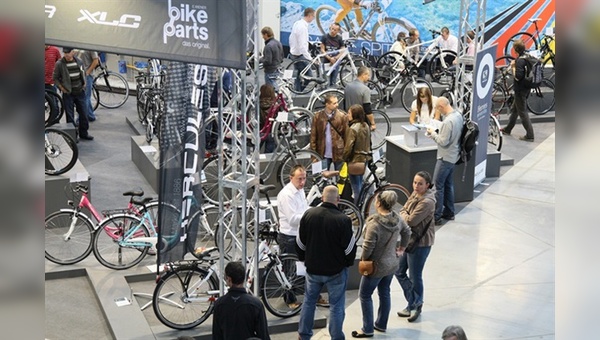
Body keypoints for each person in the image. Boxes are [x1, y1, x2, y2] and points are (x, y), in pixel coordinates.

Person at [296, 185, 358, 340]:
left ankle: (304, 335)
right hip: (335, 271)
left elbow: (299, 242)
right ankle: (336, 337)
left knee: (309, 303)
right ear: (338, 200)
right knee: (336, 306)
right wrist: (347, 263)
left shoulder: (309, 214)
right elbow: (350, 248)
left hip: (313, 269)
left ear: (322, 198)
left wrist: (303, 257)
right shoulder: (343, 220)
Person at [351, 191, 411, 338]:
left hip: (376, 266)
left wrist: (364, 259)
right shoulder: (397, 219)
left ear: (378, 203)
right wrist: (402, 248)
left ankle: (367, 328)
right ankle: (381, 324)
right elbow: (407, 232)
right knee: (385, 292)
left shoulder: (374, 224)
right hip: (391, 264)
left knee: (365, 295)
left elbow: (367, 248)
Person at [276, 165, 329, 307]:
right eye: (299, 179)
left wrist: (314, 210)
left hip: (301, 234)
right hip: (289, 237)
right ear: (291, 178)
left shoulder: (299, 192)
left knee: (310, 266)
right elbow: (293, 219)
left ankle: (314, 295)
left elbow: (304, 209)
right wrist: (311, 215)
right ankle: (290, 300)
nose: (302, 182)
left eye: (304, 178)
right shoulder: (286, 195)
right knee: (289, 269)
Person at [395, 171, 436, 323]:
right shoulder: (415, 194)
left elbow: (410, 220)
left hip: (421, 243)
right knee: (399, 271)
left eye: (420, 183)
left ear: (427, 185)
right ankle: (412, 302)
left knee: (415, 275)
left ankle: (416, 305)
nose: (416, 186)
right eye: (415, 182)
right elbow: (403, 210)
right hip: (410, 240)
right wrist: (405, 214)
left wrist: (404, 214)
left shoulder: (427, 202)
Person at [212, 261, 271, 340]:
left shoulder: (219, 304)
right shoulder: (256, 304)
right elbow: (264, 336)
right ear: (244, 278)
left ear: (229, 279)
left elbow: (217, 336)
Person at [426, 97, 462, 224]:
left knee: (437, 187)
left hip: (445, 157)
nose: (437, 110)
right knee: (448, 184)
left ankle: (436, 216)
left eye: (437, 108)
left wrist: (433, 133)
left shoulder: (448, 122)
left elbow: (443, 141)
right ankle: (449, 212)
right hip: (454, 156)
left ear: (441, 106)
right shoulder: (458, 115)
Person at [53, 47, 93, 140]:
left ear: (73, 52)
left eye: (68, 52)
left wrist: (84, 84)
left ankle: (84, 133)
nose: (66, 54)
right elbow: (55, 78)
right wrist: (62, 88)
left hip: (80, 92)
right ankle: (73, 136)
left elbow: (82, 72)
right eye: (65, 53)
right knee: (70, 116)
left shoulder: (79, 61)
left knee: (84, 113)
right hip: (68, 94)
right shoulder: (60, 64)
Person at [501, 39, 535, 142]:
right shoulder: (527, 56)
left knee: (523, 112)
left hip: (520, 90)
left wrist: (513, 67)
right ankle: (508, 129)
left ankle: (530, 135)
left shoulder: (520, 61)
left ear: (516, 49)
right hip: (526, 87)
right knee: (515, 110)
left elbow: (518, 77)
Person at [310, 94, 348, 171]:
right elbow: (313, 137)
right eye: (334, 103)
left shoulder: (342, 116)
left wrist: (346, 153)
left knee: (341, 178)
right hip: (322, 153)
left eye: (337, 102)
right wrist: (313, 156)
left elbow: (346, 135)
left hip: (339, 153)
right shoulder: (317, 117)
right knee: (322, 178)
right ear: (327, 104)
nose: (337, 105)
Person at [343, 104, 371, 205]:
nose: (347, 115)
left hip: (355, 161)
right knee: (360, 185)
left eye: (349, 113)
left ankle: (357, 210)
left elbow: (348, 147)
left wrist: (344, 158)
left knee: (356, 188)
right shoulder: (366, 126)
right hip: (364, 159)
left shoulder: (353, 128)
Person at [289, 7, 315, 91]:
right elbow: (302, 46)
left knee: (298, 74)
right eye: (313, 16)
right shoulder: (303, 28)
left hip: (294, 53)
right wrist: (310, 59)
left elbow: (291, 38)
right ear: (310, 16)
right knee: (309, 75)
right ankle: (299, 90)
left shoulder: (297, 23)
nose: (314, 18)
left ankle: (297, 91)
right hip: (299, 55)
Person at [344, 66, 375, 130]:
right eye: (368, 75)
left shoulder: (347, 86)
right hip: (360, 122)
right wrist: (373, 123)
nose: (369, 78)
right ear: (363, 75)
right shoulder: (365, 89)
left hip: (349, 120)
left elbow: (345, 103)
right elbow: (367, 108)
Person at [77, 49, 99, 121]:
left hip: (86, 75)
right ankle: (90, 115)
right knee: (84, 97)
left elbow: (96, 61)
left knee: (85, 97)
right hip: (77, 74)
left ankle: (81, 118)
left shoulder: (90, 46)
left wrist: (88, 72)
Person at [259, 26, 284, 91]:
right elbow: (282, 57)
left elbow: (268, 61)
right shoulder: (278, 43)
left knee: (270, 90)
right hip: (277, 68)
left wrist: (260, 60)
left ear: (266, 34)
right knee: (275, 86)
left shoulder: (268, 46)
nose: (262, 37)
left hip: (270, 71)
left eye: (263, 35)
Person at [259, 84, 277, 153]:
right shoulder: (276, 104)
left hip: (260, 132)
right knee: (268, 155)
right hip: (272, 132)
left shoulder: (257, 104)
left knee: (254, 154)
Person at [45, 45, 62, 111]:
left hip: (51, 81)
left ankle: (55, 119)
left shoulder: (55, 50)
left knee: (53, 101)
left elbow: (60, 63)